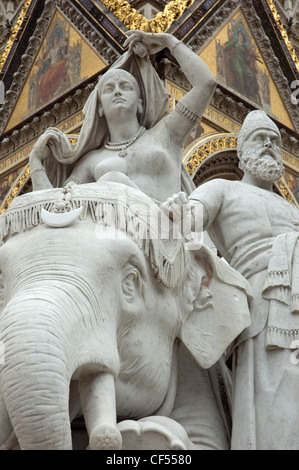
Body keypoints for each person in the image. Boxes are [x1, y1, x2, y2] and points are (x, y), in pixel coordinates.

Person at [163, 110, 299, 449]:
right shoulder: (222, 189)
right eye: (259, 138)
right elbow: (188, 218)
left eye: (275, 140)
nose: (269, 144)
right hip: (266, 298)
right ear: (241, 152)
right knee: (276, 388)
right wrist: (179, 209)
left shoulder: (293, 211)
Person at [29, 30, 216, 202]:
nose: (118, 91)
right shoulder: (90, 161)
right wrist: (35, 162)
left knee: (113, 177)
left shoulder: (166, 133)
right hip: (112, 233)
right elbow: (58, 208)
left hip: (167, 225)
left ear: (140, 103)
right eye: (109, 89)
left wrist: (167, 40)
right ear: (100, 108)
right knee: (112, 178)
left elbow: (206, 84)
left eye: (126, 87)